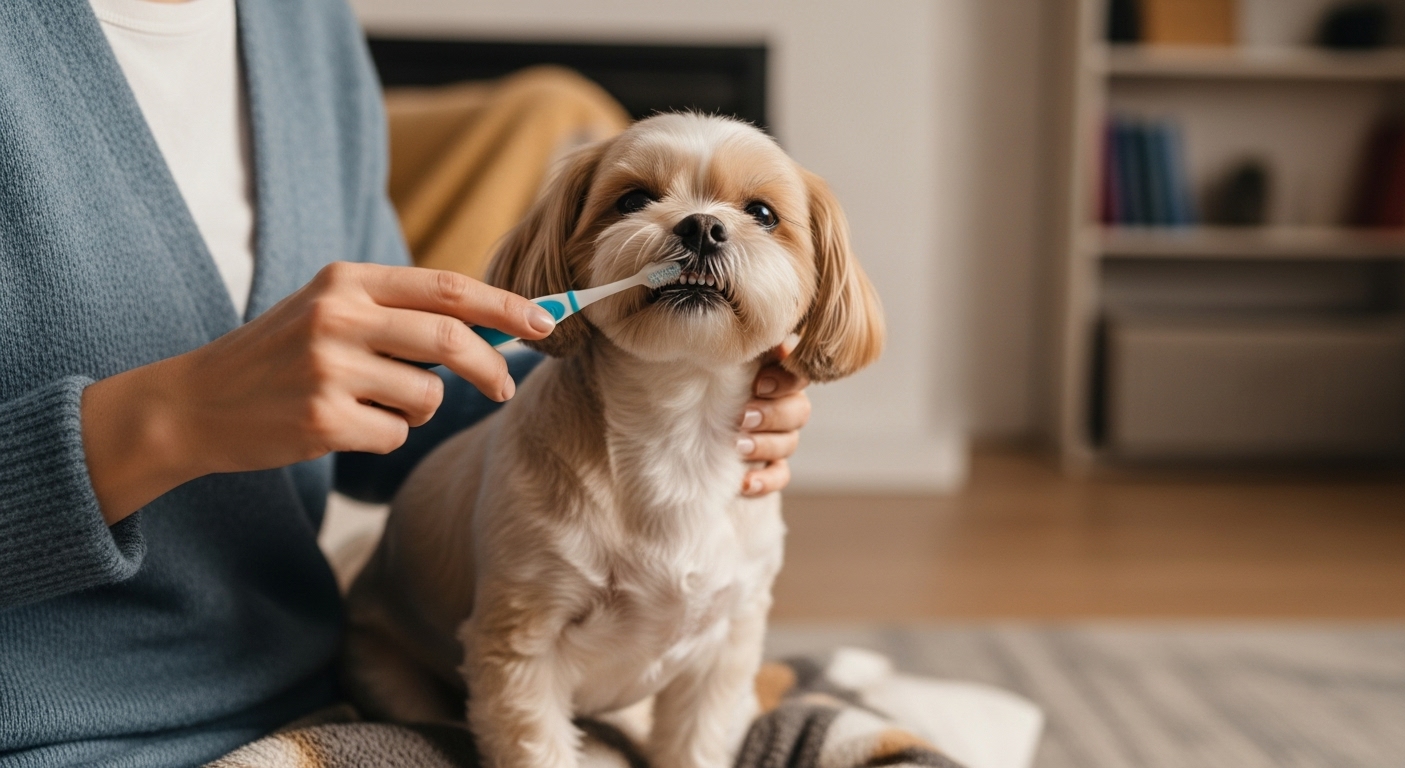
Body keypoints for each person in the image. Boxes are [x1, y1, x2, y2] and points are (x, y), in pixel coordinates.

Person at [0, 1, 811, 766]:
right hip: (69, 735)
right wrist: (172, 420)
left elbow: (396, 414)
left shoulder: (302, 24)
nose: (701, 225)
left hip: (314, 690)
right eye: (640, 197)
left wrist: (643, 395)